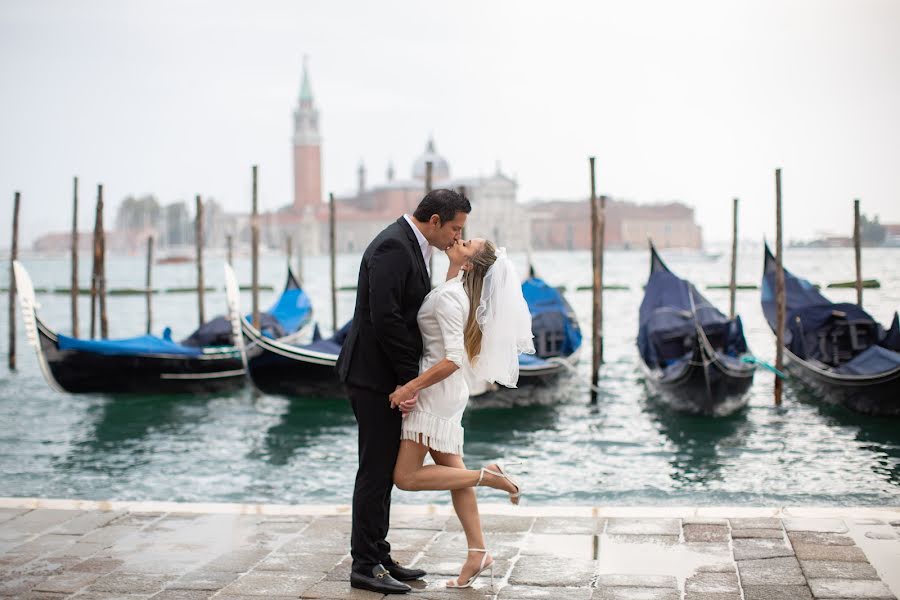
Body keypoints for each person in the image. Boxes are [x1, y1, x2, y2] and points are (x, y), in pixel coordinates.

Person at [336, 189, 470, 595]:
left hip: (385, 377)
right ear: (433, 221)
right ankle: (364, 564)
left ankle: (379, 552)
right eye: (454, 228)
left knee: (383, 469)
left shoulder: (413, 243)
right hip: (374, 377)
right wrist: (407, 379)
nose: (456, 236)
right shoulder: (394, 246)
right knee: (375, 471)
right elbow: (386, 318)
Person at [390, 238, 535, 591]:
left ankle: (489, 476)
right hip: (443, 394)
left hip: (434, 395)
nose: (459, 239)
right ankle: (478, 552)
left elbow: (454, 358)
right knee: (455, 475)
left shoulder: (451, 297)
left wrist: (410, 387)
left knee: (406, 478)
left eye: (466, 242)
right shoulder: (455, 290)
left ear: (469, 265)